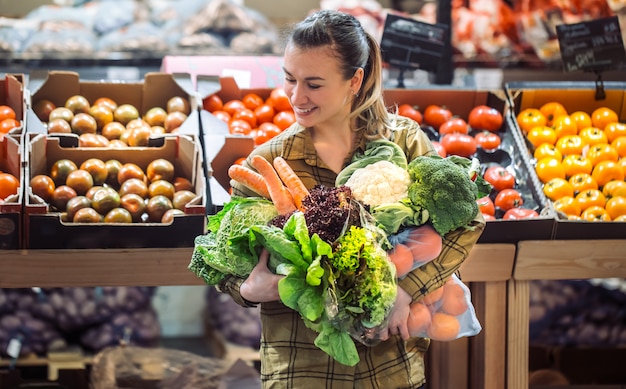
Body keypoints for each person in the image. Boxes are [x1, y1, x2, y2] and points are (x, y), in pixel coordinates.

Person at [217, 9, 486, 388]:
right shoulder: (267, 163)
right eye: (290, 79)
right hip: (301, 367)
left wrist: (408, 290)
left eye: (313, 84)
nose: (296, 96)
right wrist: (249, 288)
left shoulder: (403, 142)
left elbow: (466, 223)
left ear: (354, 80)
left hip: (389, 367)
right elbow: (226, 267)